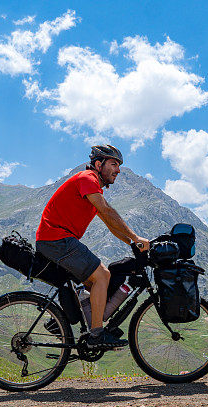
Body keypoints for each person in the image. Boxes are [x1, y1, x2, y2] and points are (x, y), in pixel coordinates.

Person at [36, 145, 151, 349]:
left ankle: (65, 319)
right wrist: (135, 236)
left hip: (58, 240)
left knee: (98, 286)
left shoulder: (91, 188)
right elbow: (107, 211)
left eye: (119, 166)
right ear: (99, 164)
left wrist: (132, 243)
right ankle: (96, 335)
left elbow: (109, 223)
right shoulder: (87, 179)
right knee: (102, 276)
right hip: (57, 239)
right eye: (113, 164)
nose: (118, 170)